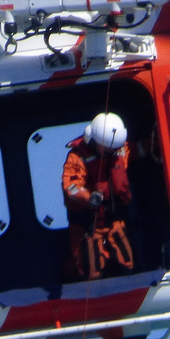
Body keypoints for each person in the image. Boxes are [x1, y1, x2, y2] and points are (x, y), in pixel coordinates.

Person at [62, 112, 135, 280]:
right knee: (90, 269)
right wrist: (89, 198)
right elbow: (71, 186)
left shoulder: (120, 148)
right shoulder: (77, 157)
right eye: (107, 148)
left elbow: (136, 151)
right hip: (88, 223)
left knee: (126, 261)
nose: (111, 151)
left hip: (113, 218)